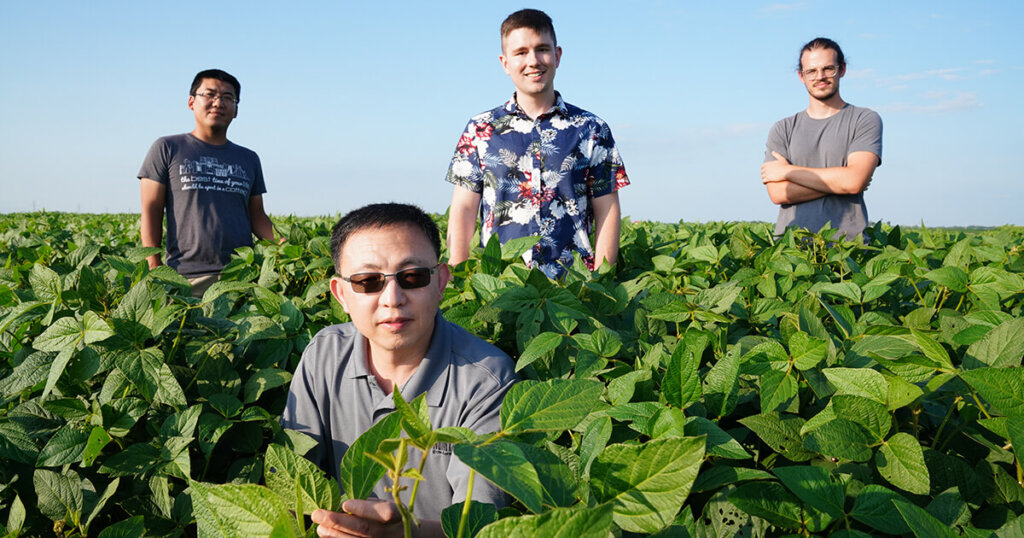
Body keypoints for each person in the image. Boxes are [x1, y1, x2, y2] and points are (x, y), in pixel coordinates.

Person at [280, 203, 517, 537]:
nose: (393, 298)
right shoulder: (324, 355)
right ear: (341, 294)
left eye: (412, 277)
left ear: (441, 282)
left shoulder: (486, 379)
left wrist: (405, 532)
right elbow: (291, 481)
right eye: (368, 281)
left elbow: (481, 525)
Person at [445, 8, 630, 279]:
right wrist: (458, 271)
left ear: (557, 56)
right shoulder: (480, 129)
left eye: (542, 49)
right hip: (501, 284)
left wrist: (601, 278)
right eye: (520, 52)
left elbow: (608, 209)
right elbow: (463, 208)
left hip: (572, 285)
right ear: (505, 63)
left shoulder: (591, 129)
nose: (533, 60)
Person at [138, 69, 278, 298]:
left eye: (227, 98)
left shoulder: (249, 158)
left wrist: (289, 248)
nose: (218, 102)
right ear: (191, 102)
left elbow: (257, 216)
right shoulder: (167, 148)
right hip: (185, 277)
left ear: (236, 110)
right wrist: (153, 265)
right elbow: (151, 210)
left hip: (241, 276)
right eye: (209, 94)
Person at [761, 37, 882, 241]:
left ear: (842, 69)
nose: (820, 76)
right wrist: (840, 182)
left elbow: (853, 182)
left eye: (828, 69)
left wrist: (788, 171)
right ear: (801, 76)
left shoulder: (864, 119)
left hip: (847, 248)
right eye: (811, 71)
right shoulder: (783, 128)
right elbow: (778, 193)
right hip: (791, 249)